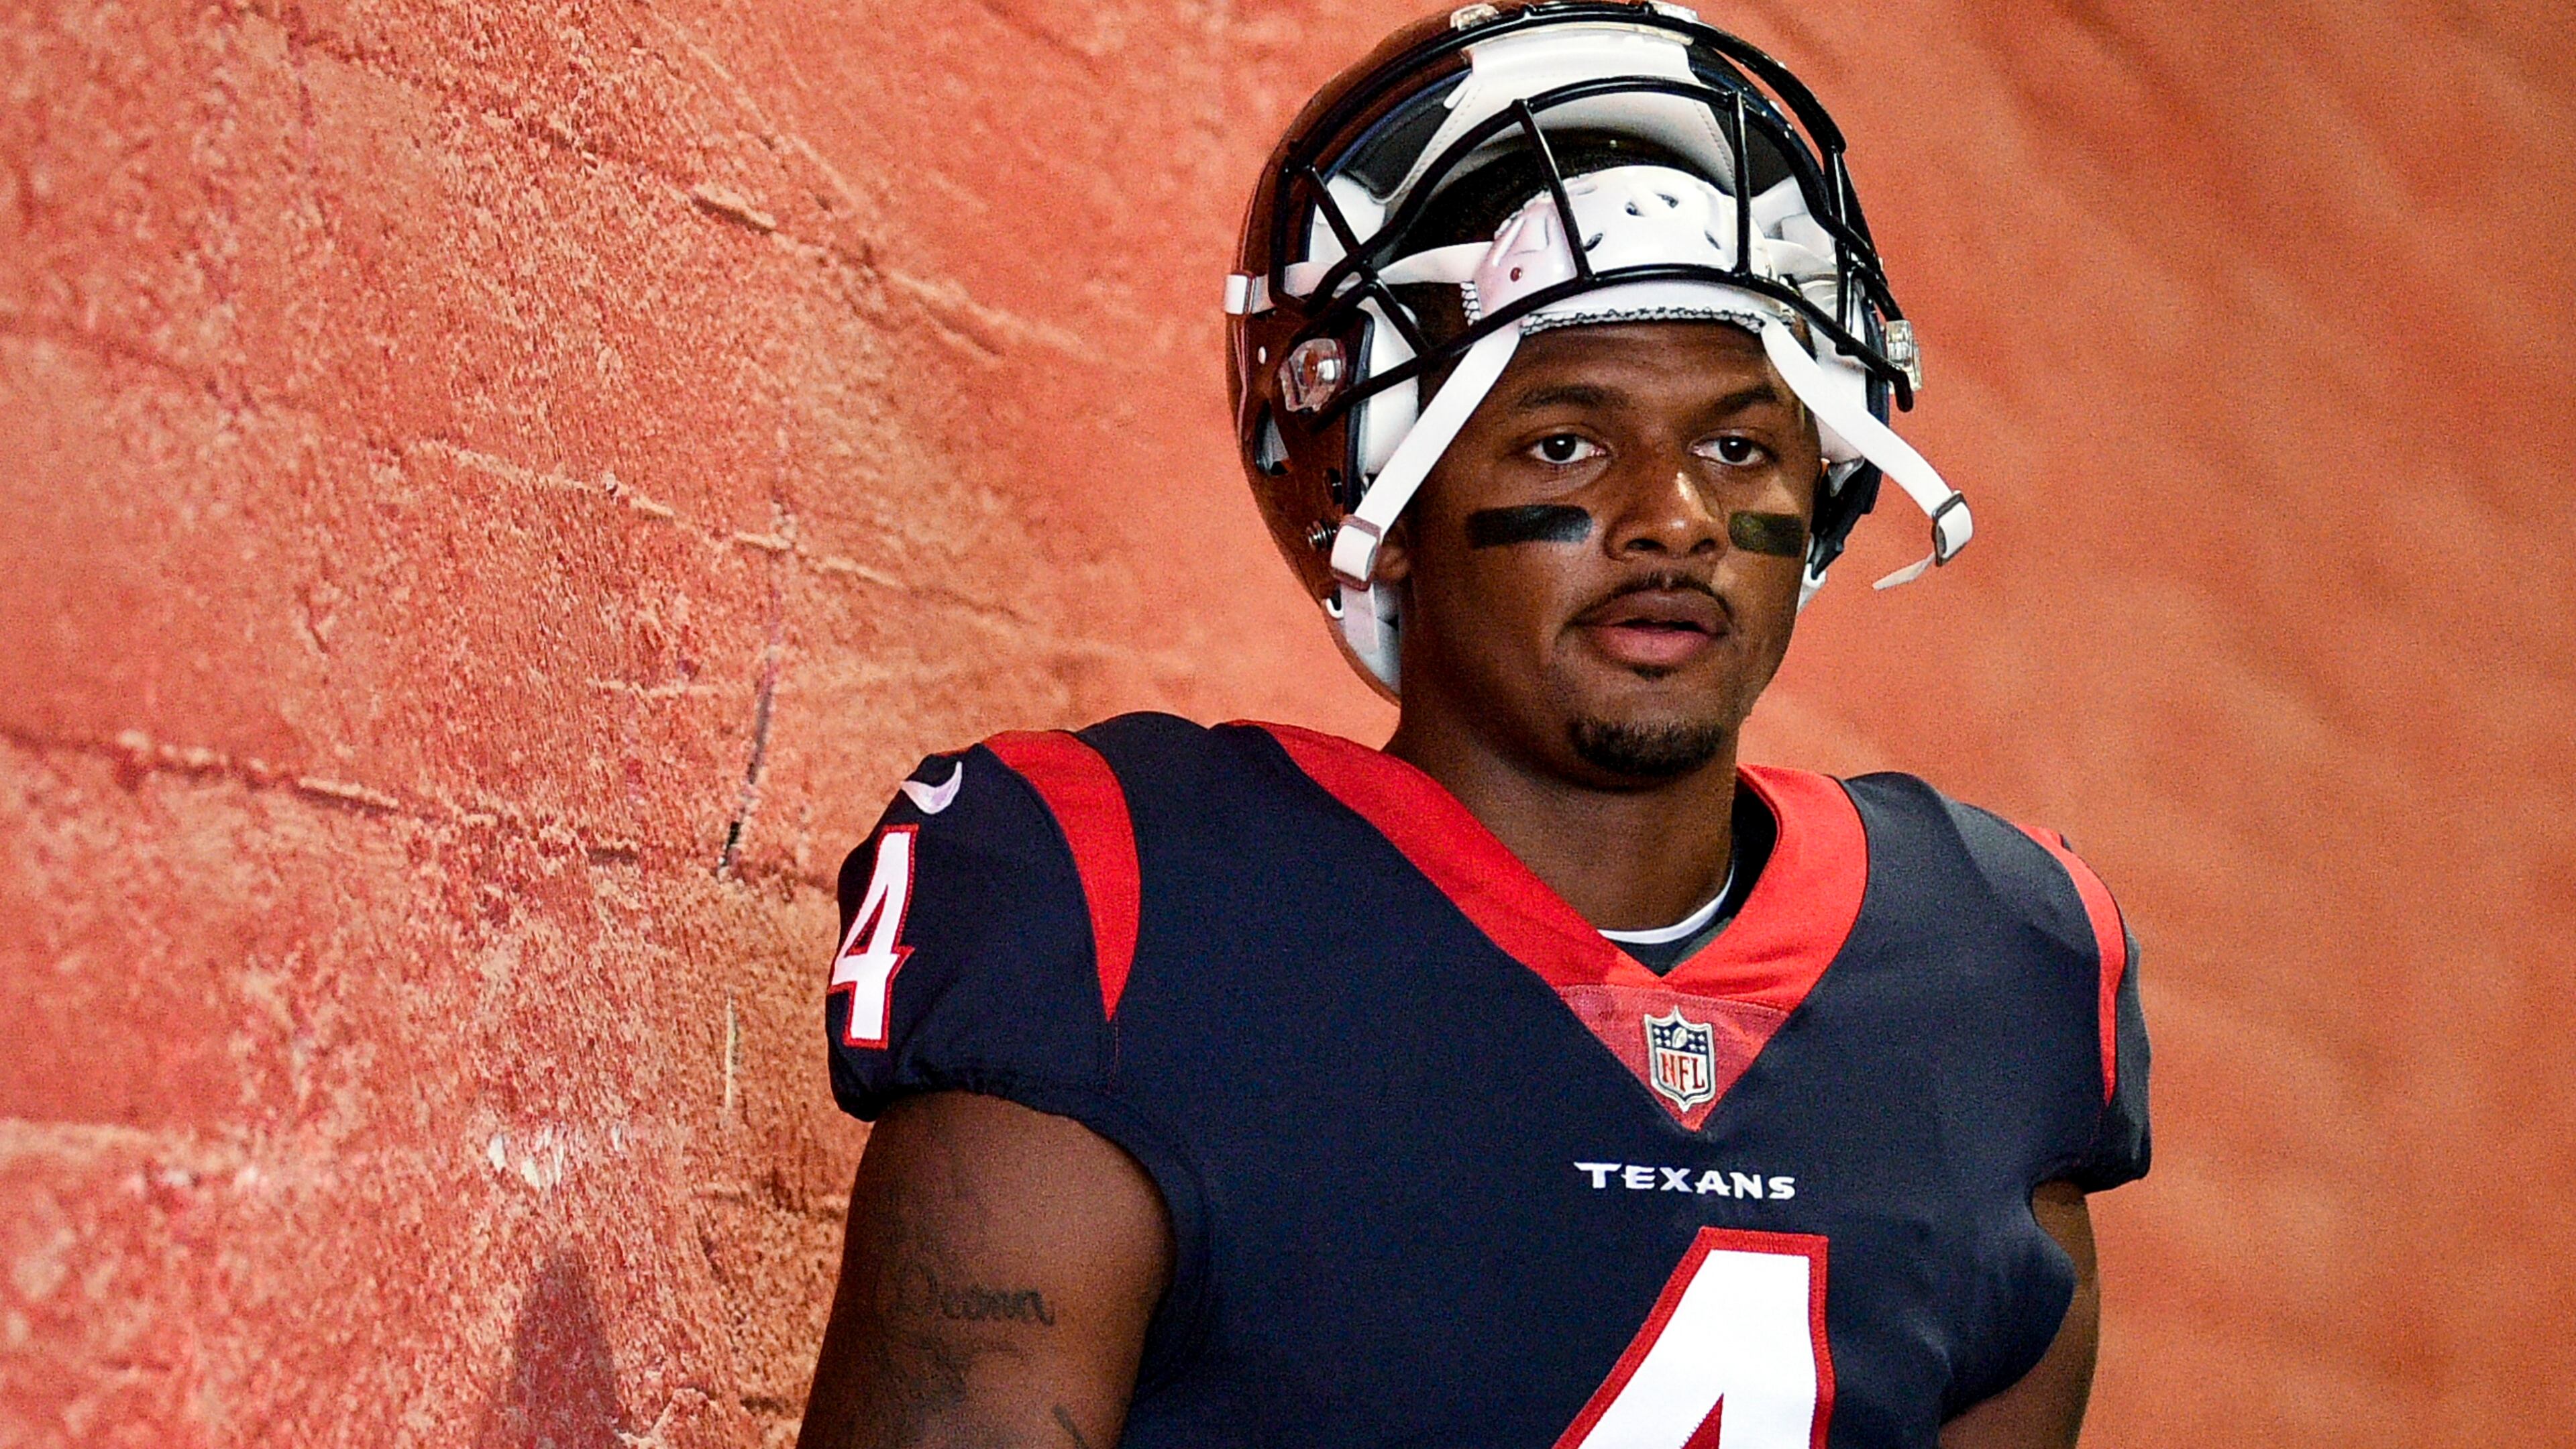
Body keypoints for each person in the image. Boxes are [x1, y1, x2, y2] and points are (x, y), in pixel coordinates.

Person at [797, 5, 2149, 1446]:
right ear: (1385, 494)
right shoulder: (1125, 911)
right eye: (1566, 443)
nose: (1675, 519)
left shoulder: (1994, 975)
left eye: (1738, 445)